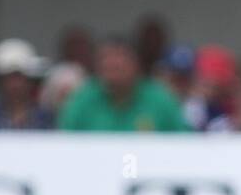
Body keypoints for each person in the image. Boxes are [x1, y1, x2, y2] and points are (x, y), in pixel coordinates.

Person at [58, 37, 191, 132]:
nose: (113, 67)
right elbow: (64, 143)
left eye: (119, 63)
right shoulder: (82, 100)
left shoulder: (161, 100)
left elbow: (183, 142)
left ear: (136, 64)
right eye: (106, 62)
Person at [0, 39, 52, 129]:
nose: (15, 84)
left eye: (19, 77)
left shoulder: (46, 118)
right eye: (9, 77)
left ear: (30, 80)